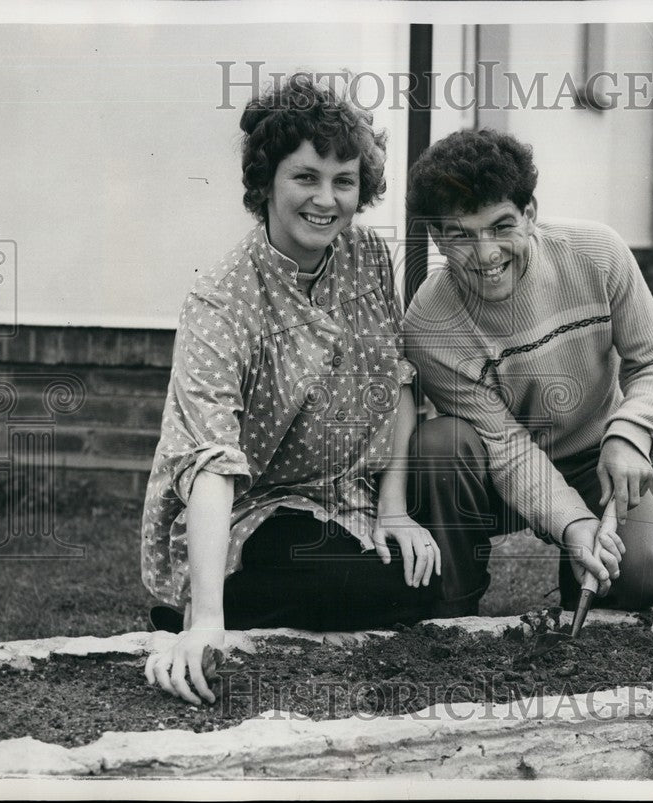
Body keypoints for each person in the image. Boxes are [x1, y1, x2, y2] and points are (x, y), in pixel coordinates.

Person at [141, 73, 442, 705]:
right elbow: (210, 464)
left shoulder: (367, 256)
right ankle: (195, 608)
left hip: (344, 497)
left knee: (422, 580)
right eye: (306, 177)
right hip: (250, 510)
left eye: (344, 181)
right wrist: (208, 625)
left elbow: (396, 381)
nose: (326, 200)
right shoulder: (222, 301)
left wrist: (393, 510)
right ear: (266, 183)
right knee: (363, 586)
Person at [402, 129, 653, 618]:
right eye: (461, 235)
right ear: (436, 237)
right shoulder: (429, 323)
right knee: (440, 445)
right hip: (492, 474)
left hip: (595, 459)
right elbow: (507, 448)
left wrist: (631, 433)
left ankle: (580, 581)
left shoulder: (599, 253)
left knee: (639, 574)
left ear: (530, 213)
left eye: (502, 226)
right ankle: (454, 608)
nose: (487, 255)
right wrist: (573, 523)